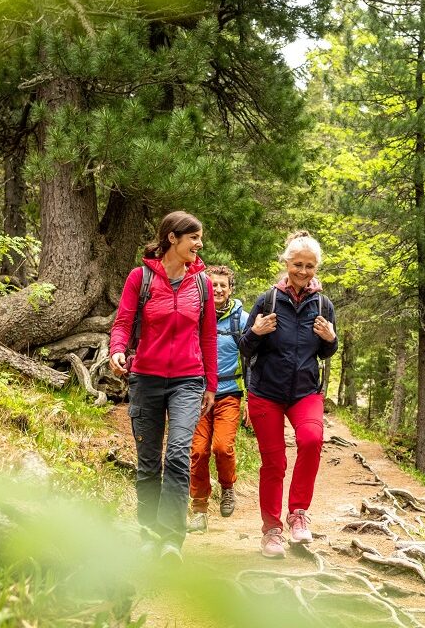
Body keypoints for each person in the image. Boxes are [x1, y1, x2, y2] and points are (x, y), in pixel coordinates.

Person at [109, 211, 217, 563]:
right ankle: (148, 533)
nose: (199, 245)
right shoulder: (140, 278)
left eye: (200, 239)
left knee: (177, 455)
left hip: (188, 380)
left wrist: (211, 385)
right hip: (146, 379)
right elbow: (123, 322)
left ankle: (172, 539)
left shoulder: (201, 284)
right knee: (148, 461)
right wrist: (117, 350)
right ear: (172, 238)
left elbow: (208, 337)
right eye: (194, 238)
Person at [237, 230, 337, 559]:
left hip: (305, 390)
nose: (303, 271)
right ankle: (271, 531)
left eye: (309, 266)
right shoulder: (268, 301)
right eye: (297, 264)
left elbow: (326, 353)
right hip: (266, 390)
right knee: (274, 462)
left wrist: (330, 338)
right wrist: (255, 331)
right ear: (286, 263)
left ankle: (298, 514)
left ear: (316, 268)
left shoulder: (323, 304)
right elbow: (245, 347)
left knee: (311, 440)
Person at [187, 265, 250, 532]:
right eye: (213, 285)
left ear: (231, 289)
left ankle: (227, 487)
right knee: (198, 451)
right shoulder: (195, 315)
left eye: (223, 285)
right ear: (205, 289)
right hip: (197, 395)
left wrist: (251, 398)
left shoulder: (242, 320)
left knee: (222, 447)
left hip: (228, 394)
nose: (219, 289)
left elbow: (253, 359)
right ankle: (199, 509)